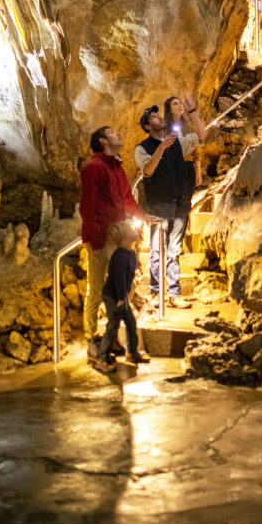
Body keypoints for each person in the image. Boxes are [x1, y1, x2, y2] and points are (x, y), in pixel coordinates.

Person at [80, 126, 147, 362]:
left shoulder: (116, 167)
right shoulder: (94, 167)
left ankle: (113, 335)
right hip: (101, 236)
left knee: (124, 286)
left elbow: (126, 198)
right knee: (97, 288)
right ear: (102, 140)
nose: (118, 133)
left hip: (118, 235)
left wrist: (142, 215)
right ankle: (92, 337)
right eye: (111, 132)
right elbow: (88, 206)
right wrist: (97, 240)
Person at [135, 96, 207, 308]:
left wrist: (192, 112)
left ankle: (174, 294)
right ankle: (156, 293)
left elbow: (202, 136)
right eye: (153, 117)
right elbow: (148, 170)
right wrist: (161, 148)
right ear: (148, 126)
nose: (159, 117)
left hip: (179, 202)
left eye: (158, 115)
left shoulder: (177, 141)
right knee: (157, 250)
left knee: (174, 250)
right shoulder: (142, 148)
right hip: (159, 203)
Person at [94, 221, 150, 373]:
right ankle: (102, 358)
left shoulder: (130, 253)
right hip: (113, 296)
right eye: (128, 241)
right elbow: (118, 279)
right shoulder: (119, 256)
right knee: (112, 326)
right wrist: (120, 298)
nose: (131, 243)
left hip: (122, 295)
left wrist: (124, 295)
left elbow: (128, 274)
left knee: (131, 323)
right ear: (122, 241)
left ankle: (132, 353)